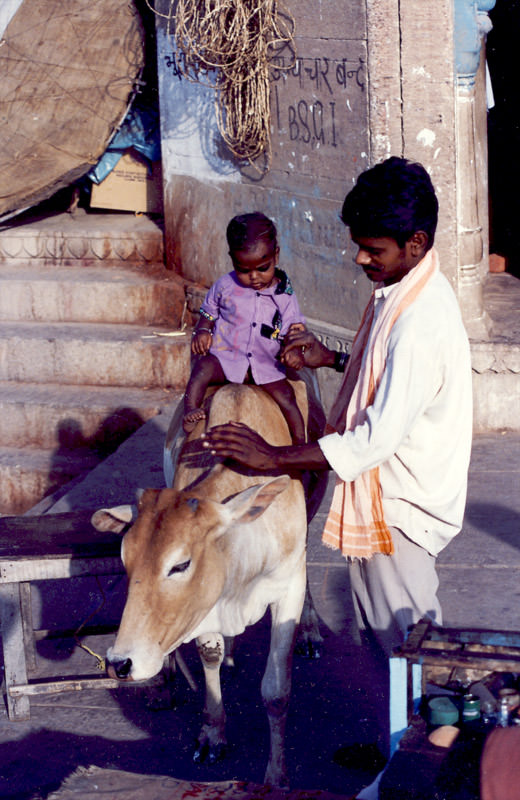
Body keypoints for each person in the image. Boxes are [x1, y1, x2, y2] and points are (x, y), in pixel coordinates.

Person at [202, 157, 473, 794]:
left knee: (405, 647)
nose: (360, 260)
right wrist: (334, 357)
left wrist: (273, 459)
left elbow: (373, 439)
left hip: (399, 508)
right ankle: (394, 749)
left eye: (371, 249)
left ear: (416, 244)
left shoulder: (422, 320)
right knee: (385, 646)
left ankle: (417, 772)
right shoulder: (401, 292)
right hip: (383, 499)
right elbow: (383, 380)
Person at [183, 211, 307, 444]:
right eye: (244, 270)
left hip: (266, 364)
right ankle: (190, 409)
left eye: (263, 267)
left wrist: (295, 351)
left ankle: (301, 442)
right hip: (228, 358)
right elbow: (209, 310)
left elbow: (295, 328)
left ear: (276, 255)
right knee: (202, 369)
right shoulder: (225, 285)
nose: (254, 277)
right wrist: (203, 329)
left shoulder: (285, 295)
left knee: (287, 398)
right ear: (232, 260)